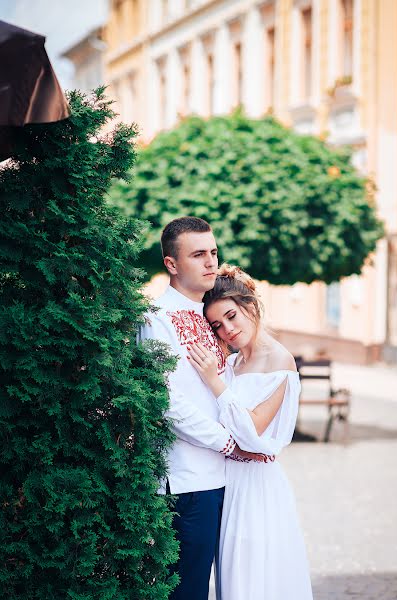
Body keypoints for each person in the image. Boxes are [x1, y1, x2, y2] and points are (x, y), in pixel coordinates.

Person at [136, 217, 262, 600]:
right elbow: (168, 403)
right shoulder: (156, 319)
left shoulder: (212, 316)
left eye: (213, 252)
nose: (211, 262)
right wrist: (229, 444)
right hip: (187, 480)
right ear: (172, 264)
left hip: (225, 479)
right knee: (187, 590)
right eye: (197, 255)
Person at [187, 263, 313, 600]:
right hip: (228, 481)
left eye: (231, 316)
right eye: (217, 324)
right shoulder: (232, 363)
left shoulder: (280, 361)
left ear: (250, 307)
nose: (226, 329)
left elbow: (252, 432)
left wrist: (214, 383)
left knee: (255, 576)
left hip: (257, 485)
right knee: (231, 576)